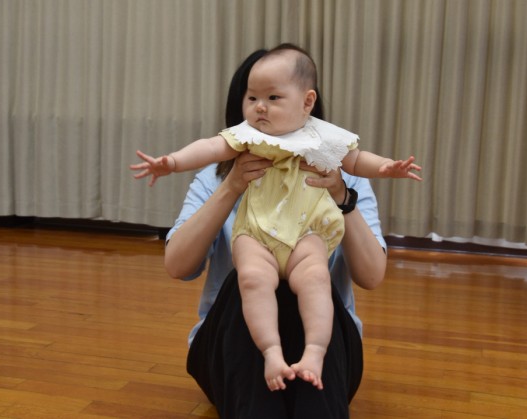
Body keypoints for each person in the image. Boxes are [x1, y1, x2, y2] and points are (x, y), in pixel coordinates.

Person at [132, 44, 420, 396]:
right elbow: (178, 261)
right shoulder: (238, 148)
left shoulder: (327, 151)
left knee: (314, 277)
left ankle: (314, 353)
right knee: (250, 277)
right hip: (236, 329)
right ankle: (271, 352)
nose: (261, 107)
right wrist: (192, 170)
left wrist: (359, 184)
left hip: (312, 268)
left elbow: (371, 271)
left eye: (273, 97)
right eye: (252, 98)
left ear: (307, 102)